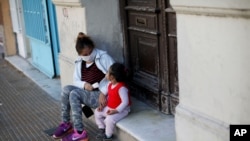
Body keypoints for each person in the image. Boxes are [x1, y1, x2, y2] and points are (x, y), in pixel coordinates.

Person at [52, 32, 114, 141]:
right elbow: (76, 80)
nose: (88, 55)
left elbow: (116, 77)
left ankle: (80, 132)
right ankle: (66, 124)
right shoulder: (79, 61)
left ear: (93, 48)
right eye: (85, 54)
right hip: (88, 92)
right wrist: (84, 85)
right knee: (66, 89)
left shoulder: (103, 57)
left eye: (90, 52)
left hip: (101, 95)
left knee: (74, 94)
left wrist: (104, 92)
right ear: (80, 54)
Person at [94, 63, 131, 141]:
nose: (106, 74)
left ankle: (108, 136)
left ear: (112, 76)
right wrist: (102, 106)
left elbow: (125, 102)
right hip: (110, 107)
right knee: (97, 112)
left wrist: (116, 111)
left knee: (109, 120)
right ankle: (102, 128)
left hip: (122, 110)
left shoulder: (121, 88)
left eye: (107, 72)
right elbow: (109, 96)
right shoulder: (110, 84)